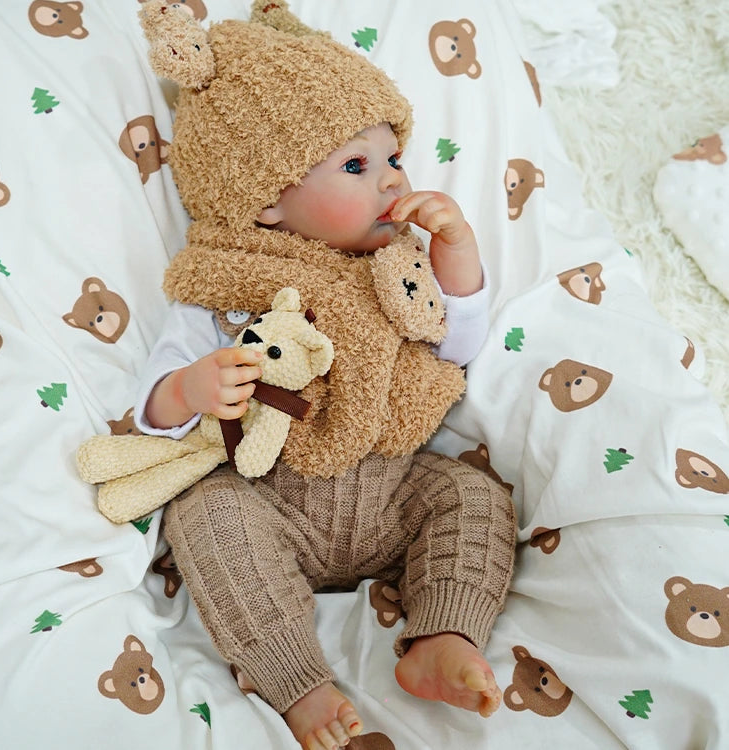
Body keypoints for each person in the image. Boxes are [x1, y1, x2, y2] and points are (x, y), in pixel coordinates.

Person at [134, 2, 516, 749]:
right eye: (356, 166)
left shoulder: (399, 267)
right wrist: (188, 390)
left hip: (393, 493)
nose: (390, 183)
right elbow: (154, 407)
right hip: (270, 504)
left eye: (393, 159)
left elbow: (456, 344)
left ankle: (443, 634)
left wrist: (457, 257)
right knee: (204, 516)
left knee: (473, 494)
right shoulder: (224, 284)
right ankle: (299, 684)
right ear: (268, 199)